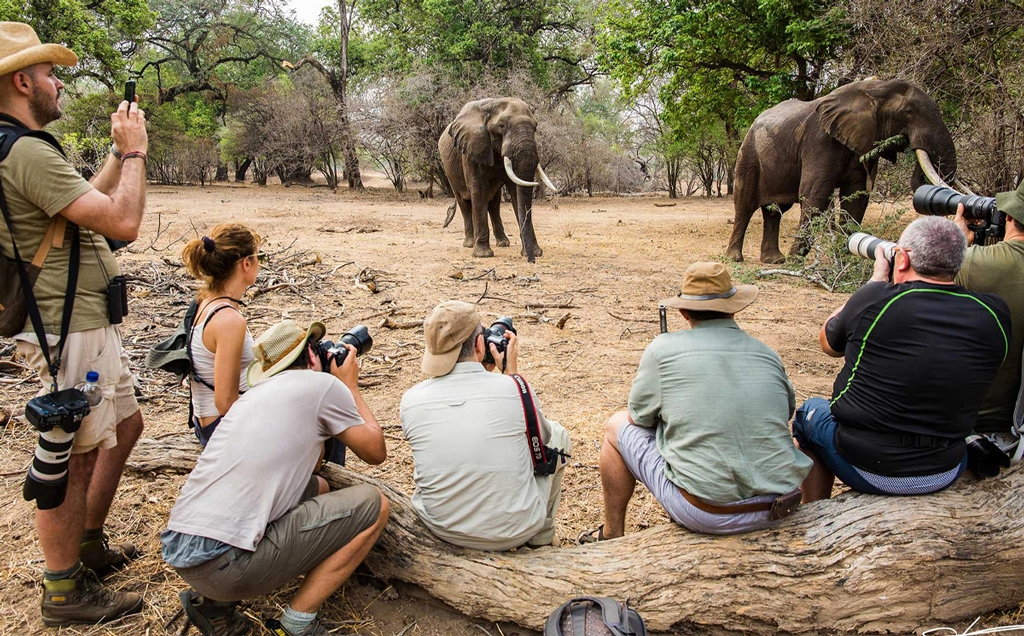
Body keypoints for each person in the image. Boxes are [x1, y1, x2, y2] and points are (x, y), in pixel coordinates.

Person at [0, 22, 148, 625]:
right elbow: (121, 222)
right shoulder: (25, 150)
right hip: (68, 326)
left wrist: (114, 155)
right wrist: (136, 154)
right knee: (71, 453)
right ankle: (63, 586)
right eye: (51, 75)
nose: (59, 85)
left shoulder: (20, 147)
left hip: (79, 320)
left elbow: (77, 209)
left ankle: (87, 544)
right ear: (22, 81)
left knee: (127, 426)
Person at [162, 319, 389, 636]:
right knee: (374, 505)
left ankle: (212, 604)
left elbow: (306, 471)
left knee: (319, 486)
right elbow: (376, 452)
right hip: (227, 567)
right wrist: (349, 386)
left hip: (184, 552)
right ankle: (298, 622)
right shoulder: (323, 387)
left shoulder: (251, 399)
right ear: (311, 357)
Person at [587, 262, 811, 541]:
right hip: (778, 507)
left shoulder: (662, 350)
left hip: (708, 513)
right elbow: (785, 412)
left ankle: (611, 535)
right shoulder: (767, 354)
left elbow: (638, 418)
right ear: (734, 307)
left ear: (683, 312)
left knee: (615, 426)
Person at [795, 216, 1011, 502]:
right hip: (945, 466)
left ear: (903, 259)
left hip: (868, 464)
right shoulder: (994, 313)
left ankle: (816, 512)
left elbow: (828, 344)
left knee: (809, 413)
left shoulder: (877, 299)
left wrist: (873, 282)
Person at [400, 301, 571, 550]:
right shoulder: (515, 389)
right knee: (558, 435)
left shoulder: (410, 401)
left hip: (441, 527)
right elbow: (541, 440)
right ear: (480, 345)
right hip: (516, 530)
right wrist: (512, 374)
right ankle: (541, 540)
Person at [953, 185, 1024, 437]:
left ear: (1010, 217)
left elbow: (910, 291)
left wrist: (957, 243)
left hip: (976, 423)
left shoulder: (974, 262)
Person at [180, 223, 260, 445]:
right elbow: (226, 403)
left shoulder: (205, 302)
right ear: (246, 263)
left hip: (206, 422)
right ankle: (313, 478)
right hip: (222, 431)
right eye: (258, 257)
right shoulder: (229, 320)